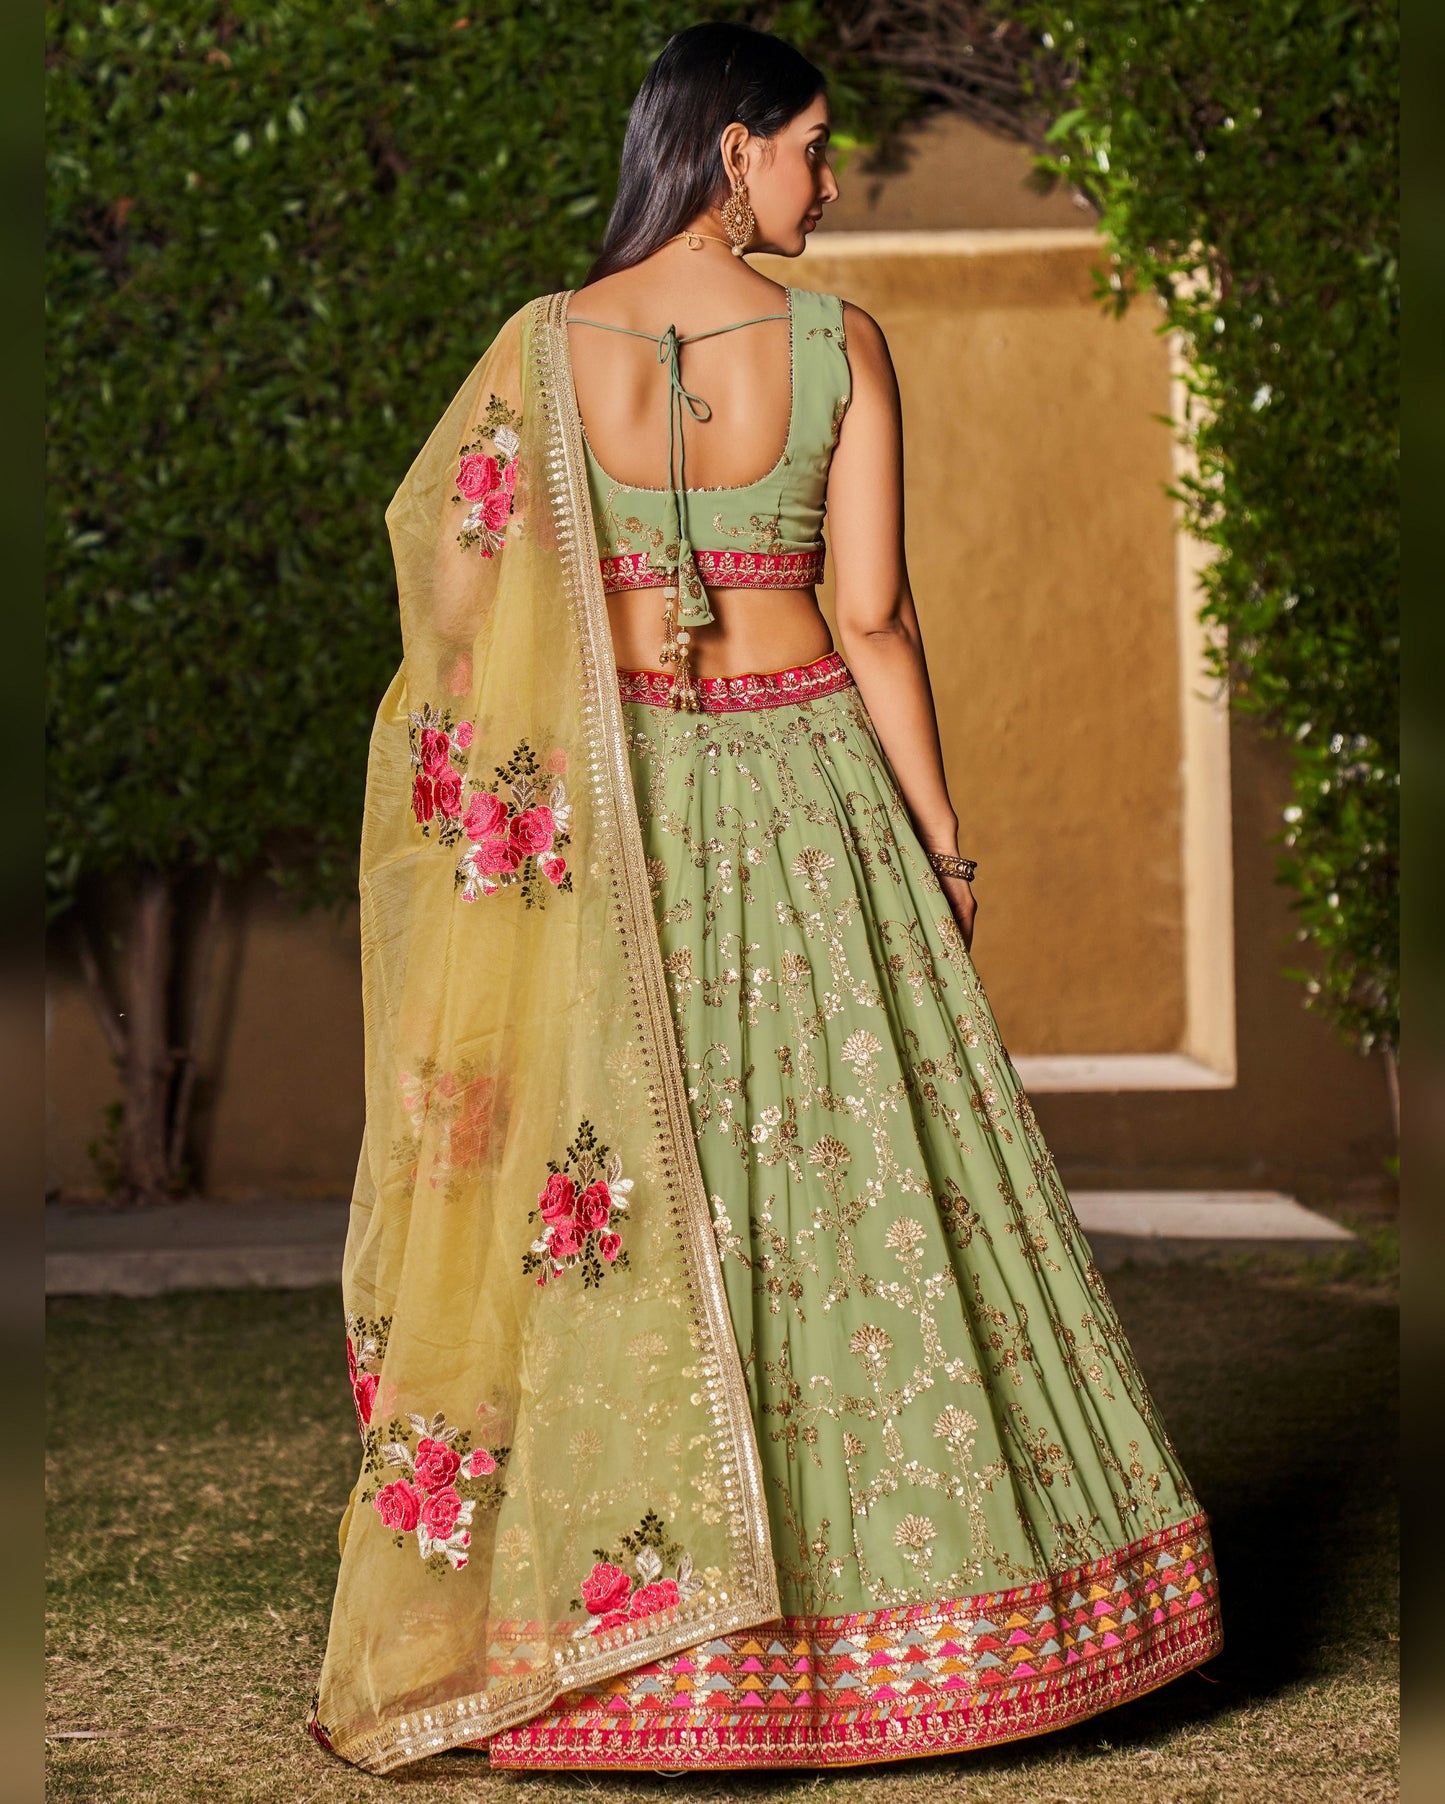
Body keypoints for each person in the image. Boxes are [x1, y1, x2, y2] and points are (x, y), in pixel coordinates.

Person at [309, 22, 1222, 1775]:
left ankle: (632, 1659)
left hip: (618, 816)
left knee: (643, 1189)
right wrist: (939, 846)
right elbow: (871, 617)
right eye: (808, 144)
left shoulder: (540, 345)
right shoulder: (833, 342)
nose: (827, 175)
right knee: (856, 1171)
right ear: (729, 152)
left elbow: (449, 604)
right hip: (810, 794)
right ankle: (910, 1639)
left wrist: (525, 788)